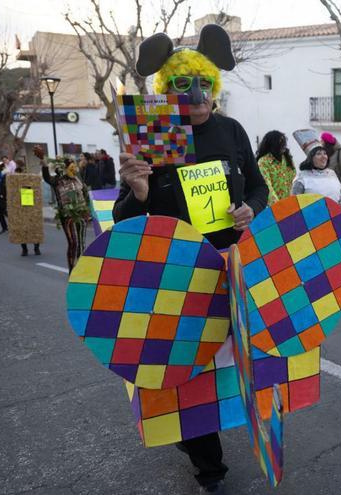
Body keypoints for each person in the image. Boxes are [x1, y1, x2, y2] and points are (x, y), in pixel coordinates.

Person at [117, 24, 269, 494]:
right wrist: (140, 191)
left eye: (204, 84)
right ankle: (210, 468)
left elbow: (259, 187)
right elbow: (126, 220)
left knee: (242, 355)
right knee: (191, 363)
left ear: (214, 85)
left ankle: (222, 429)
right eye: (185, 85)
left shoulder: (232, 130)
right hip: (178, 273)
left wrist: (252, 209)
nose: (198, 94)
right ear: (169, 91)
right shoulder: (154, 137)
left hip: (233, 265)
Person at [38, 151, 90, 269]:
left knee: (82, 243)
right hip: (68, 216)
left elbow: (85, 194)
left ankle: (81, 269)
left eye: (74, 166)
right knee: (73, 243)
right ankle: (73, 268)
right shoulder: (57, 181)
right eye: (70, 166)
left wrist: (87, 209)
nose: (74, 169)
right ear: (63, 168)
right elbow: (46, 177)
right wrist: (44, 162)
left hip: (81, 214)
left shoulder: (78, 180)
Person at [256, 130, 295, 203]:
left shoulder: (287, 159)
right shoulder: (263, 161)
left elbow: (292, 181)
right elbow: (267, 185)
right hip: (272, 207)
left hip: (289, 204)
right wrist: (277, 205)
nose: (284, 146)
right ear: (272, 144)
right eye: (281, 143)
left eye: (284, 143)